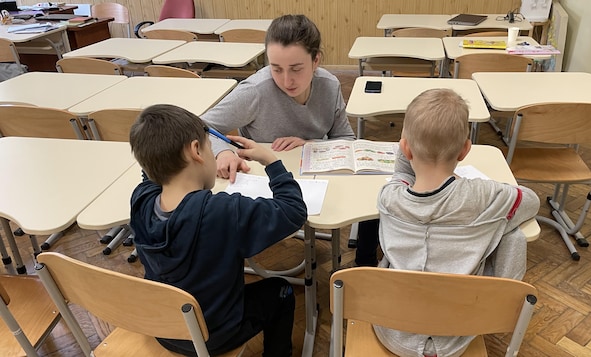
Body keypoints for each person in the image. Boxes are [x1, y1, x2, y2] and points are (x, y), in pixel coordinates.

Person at [129, 104, 308, 357]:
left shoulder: (141, 200)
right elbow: (293, 211)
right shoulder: (222, 211)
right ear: (196, 151)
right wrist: (271, 160)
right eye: (211, 147)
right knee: (280, 290)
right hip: (213, 335)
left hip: (165, 327)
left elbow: (148, 175)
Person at [200, 13, 378, 267]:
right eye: (276, 69)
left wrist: (310, 143)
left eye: (296, 69)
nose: (286, 80)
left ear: (316, 60)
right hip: (264, 186)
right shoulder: (256, 90)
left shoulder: (329, 86)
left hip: (312, 178)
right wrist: (223, 152)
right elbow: (202, 127)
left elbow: (345, 139)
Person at [374, 89, 539, 357]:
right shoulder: (483, 197)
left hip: (394, 331)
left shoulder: (389, 199)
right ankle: (501, 307)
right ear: (465, 150)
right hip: (457, 334)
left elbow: (400, 174)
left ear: (405, 148)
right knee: (510, 232)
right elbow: (530, 202)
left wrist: (409, 145)